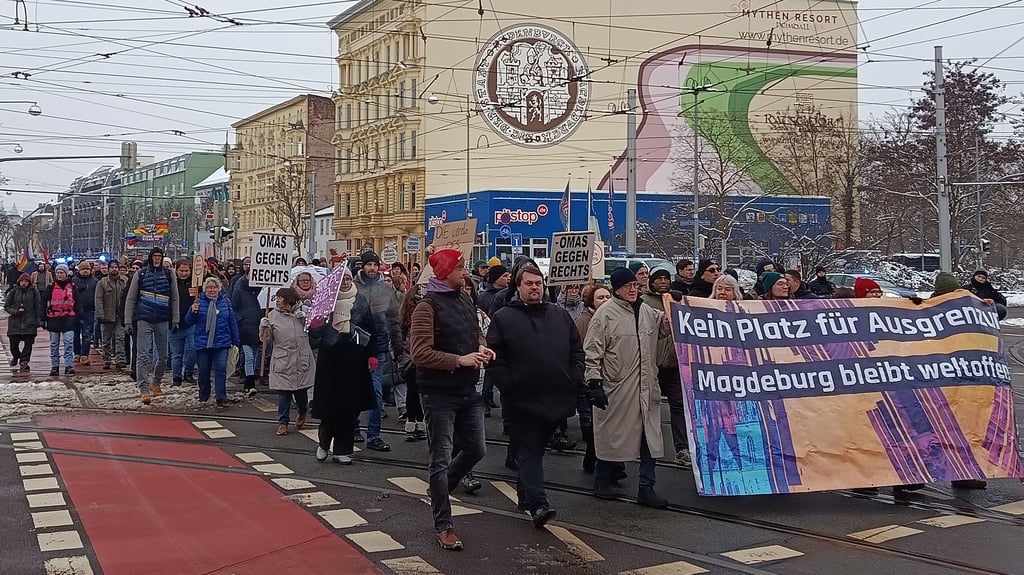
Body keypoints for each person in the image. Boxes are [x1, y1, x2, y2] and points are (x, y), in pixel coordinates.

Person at [487, 264, 584, 528]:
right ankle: (539, 503)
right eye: (528, 283)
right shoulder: (504, 317)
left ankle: (525, 495)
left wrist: (573, 378)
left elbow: (576, 350)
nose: (534, 288)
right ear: (518, 287)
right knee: (529, 450)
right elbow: (494, 358)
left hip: (556, 397)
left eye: (538, 283)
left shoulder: (559, 315)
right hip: (521, 399)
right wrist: (509, 385)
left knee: (536, 450)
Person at [409, 248, 494, 551]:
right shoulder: (426, 307)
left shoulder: (466, 298)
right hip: (439, 393)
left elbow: (476, 333)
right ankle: (444, 524)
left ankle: (440, 488)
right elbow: (419, 353)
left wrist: (482, 348)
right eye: (460, 268)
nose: (465, 273)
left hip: (467, 390)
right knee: (440, 459)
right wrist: (460, 360)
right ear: (445, 272)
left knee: (476, 449)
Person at [583, 267, 670, 508]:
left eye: (635, 285)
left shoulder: (646, 311)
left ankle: (646, 487)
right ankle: (602, 480)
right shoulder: (605, 315)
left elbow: (664, 326)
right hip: (617, 388)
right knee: (613, 437)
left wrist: (676, 308)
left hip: (646, 386)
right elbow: (592, 351)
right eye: (627, 286)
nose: (633, 289)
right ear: (616, 289)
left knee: (650, 439)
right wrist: (594, 382)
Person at [311, 268, 378, 464]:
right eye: (342, 280)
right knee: (330, 408)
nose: (346, 282)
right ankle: (324, 443)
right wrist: (317, 325)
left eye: (348, 278)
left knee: (349, 409)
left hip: (354, 362)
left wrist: (372, 355)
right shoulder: (325, 302)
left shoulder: (360, 300)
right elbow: (314, 336)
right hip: (330, 363)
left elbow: (370, 329)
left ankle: (343, 450)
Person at [353, 251, 404, 452]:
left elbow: (394, 320)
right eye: (368, 265)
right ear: (362, 267)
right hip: (357, 347)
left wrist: (399, 348)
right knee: (354, 390)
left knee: (376, 392)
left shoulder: (385, 289)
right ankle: (354, 426)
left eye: (375, 264)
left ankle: (374, 435)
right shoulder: (353, 287)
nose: (372, 268)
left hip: (380, 347)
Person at [641, 268, 690, 468]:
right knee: (648, 406)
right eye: (658, 279)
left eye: (666, 278)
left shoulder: (676, 300)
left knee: (678, 406)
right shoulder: (643, 303)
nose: (663, 282)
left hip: (673, 364)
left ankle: (682, 448)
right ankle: (645, 448)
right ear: (651, 282)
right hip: (652, 364)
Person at [125, 247, 179, 404]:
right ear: (150, 258)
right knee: (142, 356)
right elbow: (131, 299)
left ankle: (156, 382)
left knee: (163, 356)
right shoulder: (140, 274)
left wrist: (175, 318)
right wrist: (128, 320)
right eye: (154, 256)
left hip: (162, 318)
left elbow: (174, 298)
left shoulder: (169, 274)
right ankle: (143, 389)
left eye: (159, 256)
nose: (157, 259)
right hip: (144, 318)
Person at [260, 287, 314, 436]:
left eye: (280, 298)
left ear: (289, 299)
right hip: (283, 360)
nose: (277, 301)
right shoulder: (272, 315)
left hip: (301, 359)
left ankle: (302, 411)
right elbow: (267, 340)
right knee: (284, 394)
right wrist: (264, 328)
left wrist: (306, 319)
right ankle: (282, 422)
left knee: (301, 393)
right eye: (276, 298)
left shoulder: (304, 311)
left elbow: (316, 331)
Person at [575, 284, 612, 473]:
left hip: (611, 378)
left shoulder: (614, 318)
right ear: (591, 302)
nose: (605, 301)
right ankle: (596, 461)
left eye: (608, 297)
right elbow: (578, 350)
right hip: (588, 378)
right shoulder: (583, 321)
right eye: (600, 298)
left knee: (606, 423)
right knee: (593, 422)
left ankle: (595, 460)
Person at [186, 276, 239, 408]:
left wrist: (236, 340)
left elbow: (232, 321)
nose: (212, 290)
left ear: (219, 288)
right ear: (204, 289)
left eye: (214, 287)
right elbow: (188, 321)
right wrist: (193, 312)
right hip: (203, 343)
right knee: (203, 371)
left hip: (222, 341)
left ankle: (221, 397)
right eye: (209, 287)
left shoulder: (225, 302)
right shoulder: (199, 302)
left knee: (221, 369)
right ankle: (204, 394)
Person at [398, 284, 427, 442]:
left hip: (417, 353)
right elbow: (401, 332)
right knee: (413, 390)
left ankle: (417, 421)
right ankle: (414, 421)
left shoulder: (427, 306)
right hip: (410, 355)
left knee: (417, 390)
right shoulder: (408, 310)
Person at [42, 264, 82, 376]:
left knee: (69, 343)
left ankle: (69, 365)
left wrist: (79, 317)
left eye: (62, 273)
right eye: (58, 273)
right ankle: (55, 366)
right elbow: (43, 302)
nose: (59, 275)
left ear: (66, 274)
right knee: (54, 344)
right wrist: (42, 318)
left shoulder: (72, 287)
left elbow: (77, 302)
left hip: (69, 318)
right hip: (54, 319)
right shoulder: (50, 287)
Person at [231, 267, 265, 397]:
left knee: (256, 355)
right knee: (249, 356)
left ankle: (249, 380)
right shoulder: (240, 287)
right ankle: (249, 383)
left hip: (258, 326)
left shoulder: (262, 289)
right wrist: (241, 319)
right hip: (245, 327)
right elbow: (234, 306)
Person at [5, 273, 42, 371]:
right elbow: (7, 306)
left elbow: (38, 307)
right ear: (19, 282)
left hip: (29, 322)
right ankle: (16, 356)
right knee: (13, 344)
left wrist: (38, 320)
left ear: (29, 282)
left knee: (28, 344)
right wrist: (15, 312)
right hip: (15, 323)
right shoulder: (13, 292)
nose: (24, 283)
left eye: (26, 281)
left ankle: (24, 361)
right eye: (22, 281)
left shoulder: (34, 292)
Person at [95, 262, 128, 370]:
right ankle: (107, 360)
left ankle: (120, 360)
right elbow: (98, 299)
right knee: (106, 340)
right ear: (108, 269)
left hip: (120, 315)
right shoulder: (102, 283)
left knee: (120, 338)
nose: (114, 269)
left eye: (116, 267)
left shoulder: (124, 281)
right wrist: (100, 314)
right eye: (112, 267)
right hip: (106, 315)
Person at [170, 259, 197, 386]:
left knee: (192, 350)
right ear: (176, 270)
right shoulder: (171, 283)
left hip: (191, 323)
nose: (184, 273)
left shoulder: (195, 285)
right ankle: (176, 377)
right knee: (177, 353)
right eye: (181, 270)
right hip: (175, 323)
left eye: (186, 271)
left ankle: (188, 373)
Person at [71, 260, 98, 365]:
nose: (85, 271)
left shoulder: (95, 281)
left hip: (89, 311)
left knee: (87, 334)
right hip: (75, 311)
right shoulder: (73, 281)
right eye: (83, 269)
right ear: (80, 270)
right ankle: (76, 353)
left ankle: (84, 355)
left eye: (87, 269)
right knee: (75, 334)